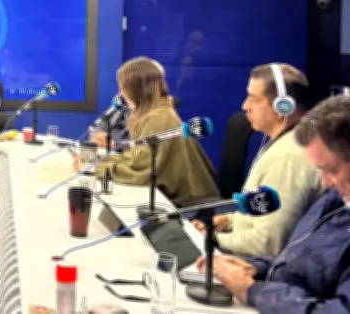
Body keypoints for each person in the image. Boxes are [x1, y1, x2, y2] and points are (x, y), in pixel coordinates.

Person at [197, 95, 350, 312]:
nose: (325, 182)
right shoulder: (336, 199)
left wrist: (252, 290)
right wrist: (258, 268)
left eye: (331, 170)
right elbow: (307, 263)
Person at [193, 63, 321, 257]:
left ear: (282, 106)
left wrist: (211, 238)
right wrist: (228, 221)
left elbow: (266, 243)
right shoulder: (291, 141)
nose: (245, 106)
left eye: (254, 98)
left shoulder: (287, 158)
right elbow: (264, 213)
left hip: (257, 267)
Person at [93, 57, 219, 207]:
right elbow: (137, 157)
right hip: (186, 199)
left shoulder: (156, 119)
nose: (120, 93)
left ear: (135, 89)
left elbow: (139, 172)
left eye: (122, 87)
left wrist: (98, 167)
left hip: (190, 207)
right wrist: (101, 161)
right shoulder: (157, 112)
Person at [89, 59, 177, 152]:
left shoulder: (157, 118)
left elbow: (140, 152)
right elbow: (99, 123)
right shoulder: (122, 104)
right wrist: (98, 135)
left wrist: (114, 144)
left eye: (124, 87)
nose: (121, 93)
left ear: (139, 89)